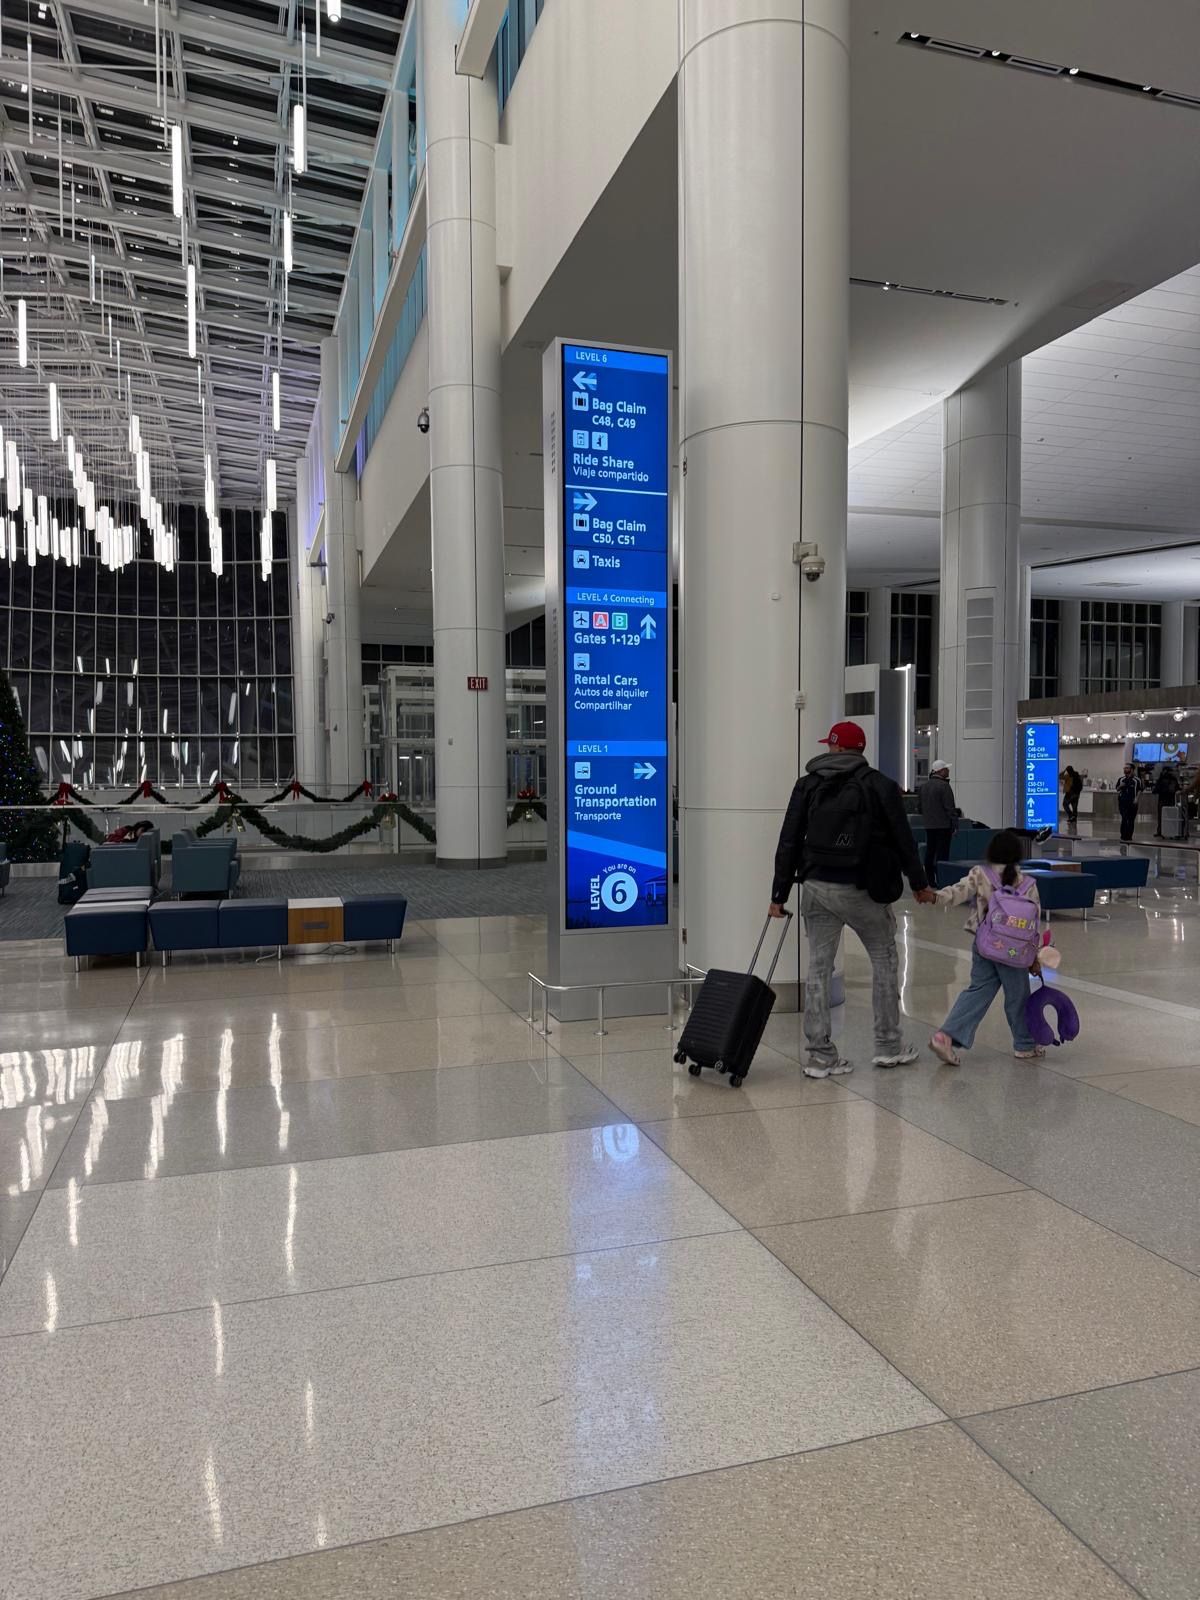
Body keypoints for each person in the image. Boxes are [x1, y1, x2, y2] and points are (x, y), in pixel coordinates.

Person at [769, 720, 936, 1079]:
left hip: (815, 886)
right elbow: (903, 840)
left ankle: (820, 1056)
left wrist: (778, 894)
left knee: (818, 969)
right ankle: (888, 1046)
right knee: (884, 961)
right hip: (864, 890)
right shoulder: (880, 785)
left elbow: (789, 840)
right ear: (859, 750)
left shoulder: (808, 784)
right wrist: (920, 884)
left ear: (836, 747)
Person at [928, 830, 1044, 1065]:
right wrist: (1034, 957)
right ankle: (1024, 1044)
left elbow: (957, 893)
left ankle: (945, 1036)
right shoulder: (1028, 883)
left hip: (984, 945)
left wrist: (934, 897)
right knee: (1018, 996)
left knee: (978, 990)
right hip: (1015, 951)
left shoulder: (980, 874)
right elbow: (1033, 925)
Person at [917, 760, 957, 883]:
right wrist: (954, 825)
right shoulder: (944, 786)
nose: (948, 770)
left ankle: (930, 879)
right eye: (946, 769)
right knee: (942, 854)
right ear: (941, 771)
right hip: (943, 826)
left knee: (930, 851)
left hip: (929, 825)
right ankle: (942, 879)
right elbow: (950, 808)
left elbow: (919, 808)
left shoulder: (924, 787)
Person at [1153, 765, 1180, 838]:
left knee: (1161, 817)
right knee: (1171, 817)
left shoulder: (1161, 779)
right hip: (1171, 800)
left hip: (1162, 800)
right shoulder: (1173, 779)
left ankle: (1160, 832)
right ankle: (1171, 831)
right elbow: (1177, 789)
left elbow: (1155, 790)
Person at [1116, 763, 1141, 844]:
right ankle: (1123, 836)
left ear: (1132, 769)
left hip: (1132, 802)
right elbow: (1117, 789)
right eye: (1124, 768)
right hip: (1123, 802)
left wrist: (1136, 798)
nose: (1125, 769)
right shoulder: (1121, 779)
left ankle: (1129, 836)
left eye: (1127, 768)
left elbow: (1140, 789)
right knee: (1124, 818)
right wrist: (1121, 786)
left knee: (1131, 820)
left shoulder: (1137, 780)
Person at [1060, 766, 1083, 831]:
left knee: (1065, 804)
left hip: (1070, 793)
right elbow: (1080, 785)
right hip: (1077, 794)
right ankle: (1074, 818)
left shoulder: (1068, 776)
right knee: (1074, 807)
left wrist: (1064, 771)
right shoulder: (1077, 775)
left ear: (1068, 770)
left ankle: (1070, 815)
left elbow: (1060, 776)